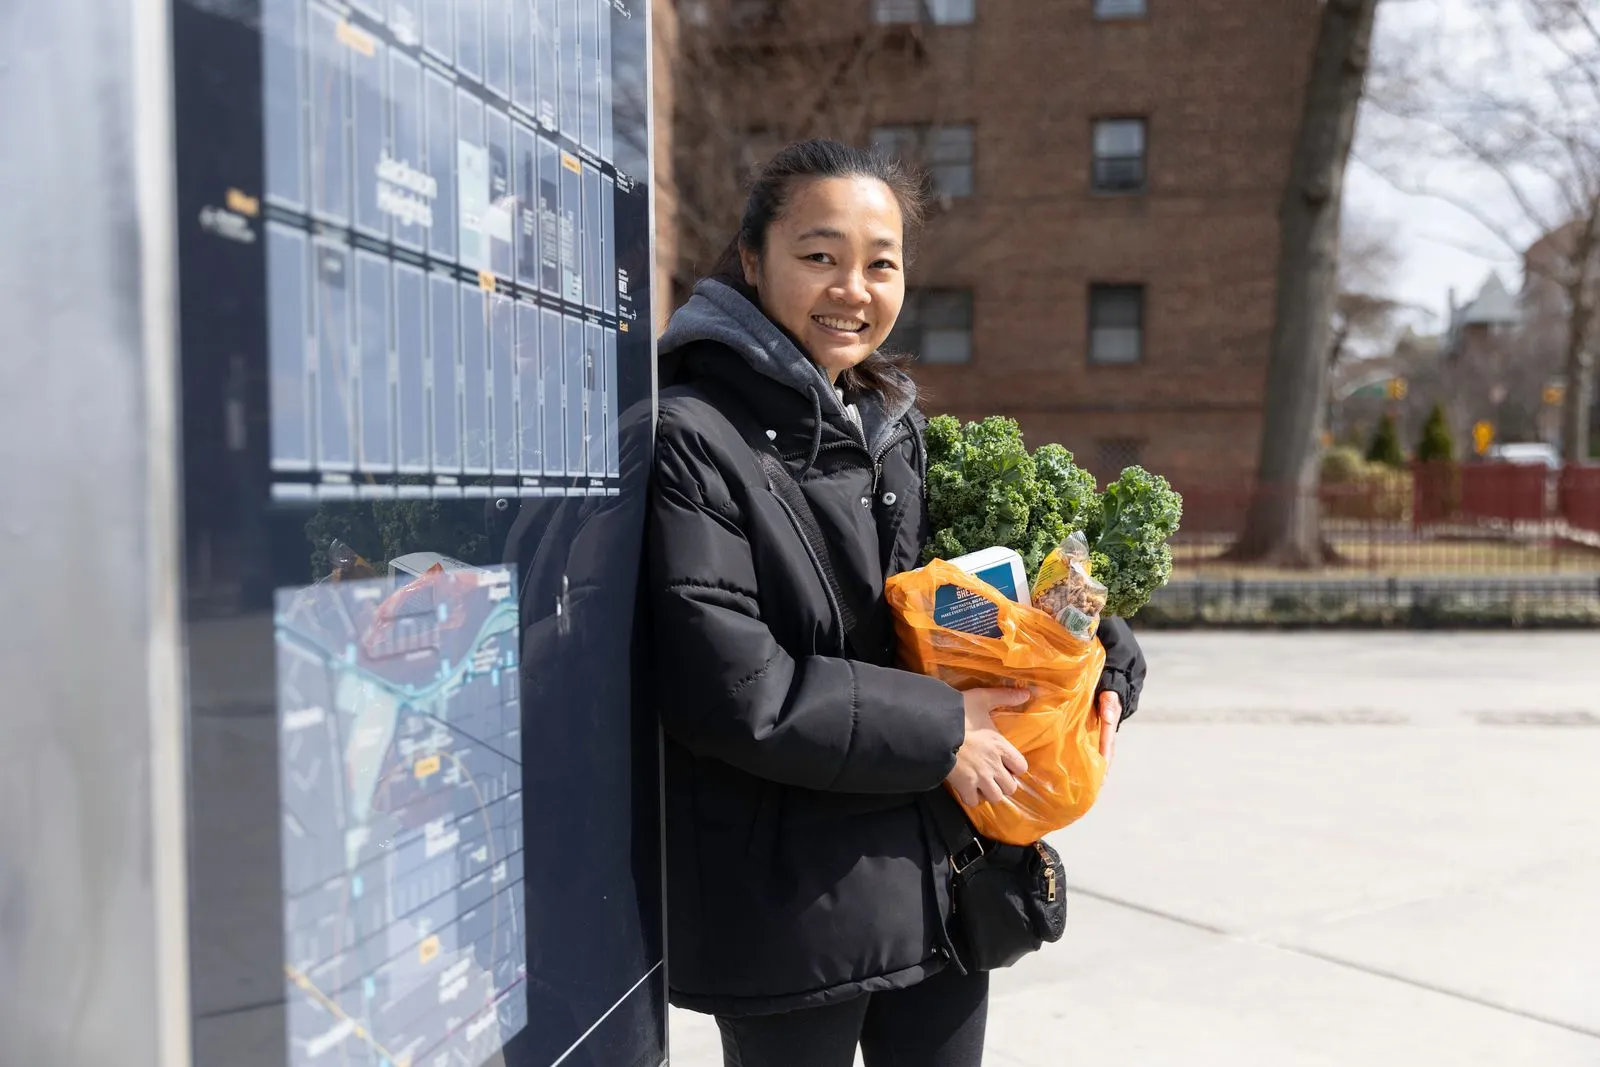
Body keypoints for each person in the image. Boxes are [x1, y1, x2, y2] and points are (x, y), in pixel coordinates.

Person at [645, 139, 1147, 1067]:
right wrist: (945, 725)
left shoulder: (888, 425)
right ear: (753, 260)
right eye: (820, 256)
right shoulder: (691, 438)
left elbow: (959, 596)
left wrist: (1090, 644)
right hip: (791, 900)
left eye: (881, 262)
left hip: (937, 881)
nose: (854, 287)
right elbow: (735, 692)